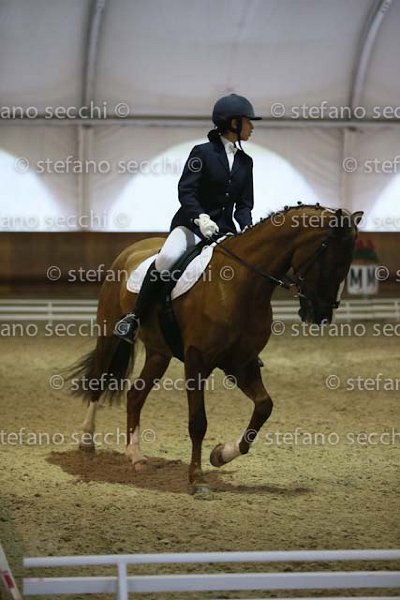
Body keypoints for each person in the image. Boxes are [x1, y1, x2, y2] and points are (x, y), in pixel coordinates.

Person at [114, 93, 262, 344]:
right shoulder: (202, 153)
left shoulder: (246, 162)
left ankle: (240, 336)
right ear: (233, 123)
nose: (252, 126)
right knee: (167, 257)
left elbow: (244, 204)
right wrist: (200, 218)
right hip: (191, 226)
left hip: (224, 231)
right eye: (248, 121)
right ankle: (135, 317)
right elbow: (186, 191)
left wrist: (247, 229)